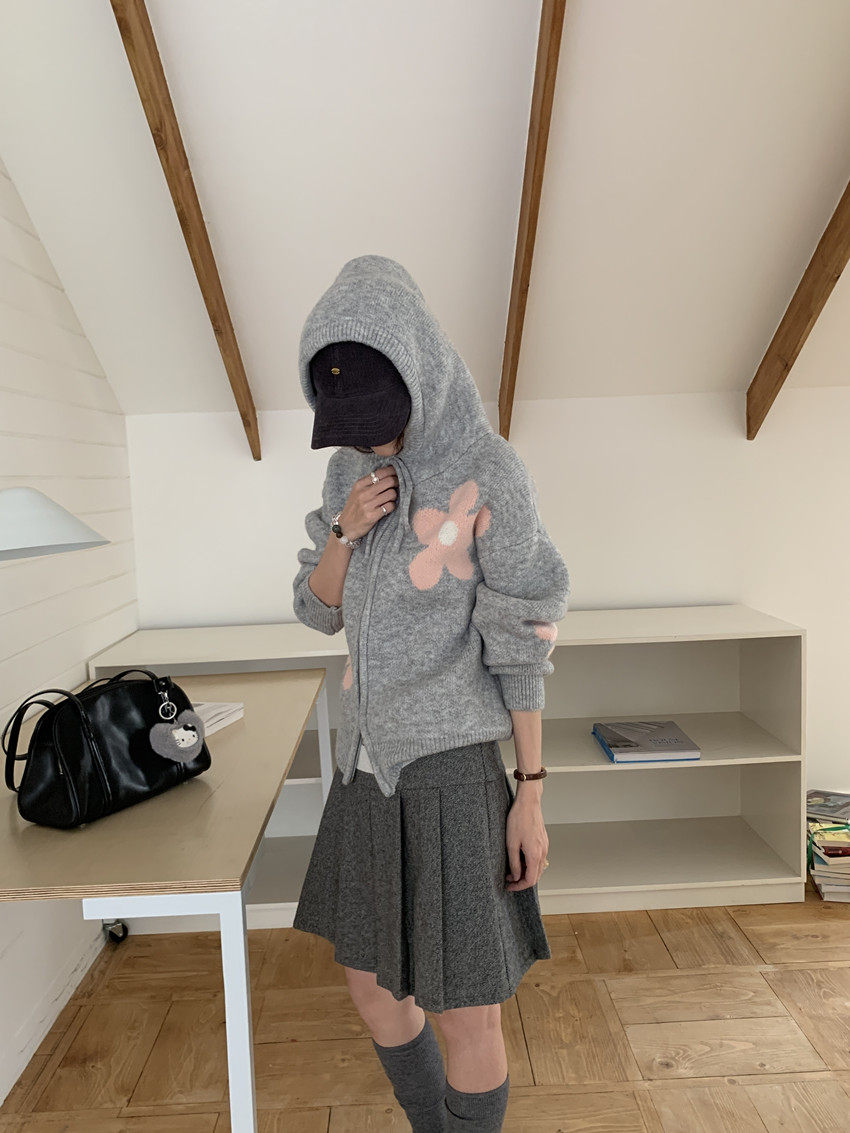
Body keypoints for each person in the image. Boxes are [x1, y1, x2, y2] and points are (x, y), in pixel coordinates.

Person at [291, 254, 570, 1131]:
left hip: (453, 774)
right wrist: (344, 531)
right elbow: (317, 609)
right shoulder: (348, 473)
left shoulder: (489, 468)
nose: (372, 444)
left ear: (421, 368)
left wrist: (530, 792)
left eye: (382, 424)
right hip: (367, 769)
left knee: (466, 1014)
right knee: (371, 985)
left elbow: (521, 636)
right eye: (353, 429)